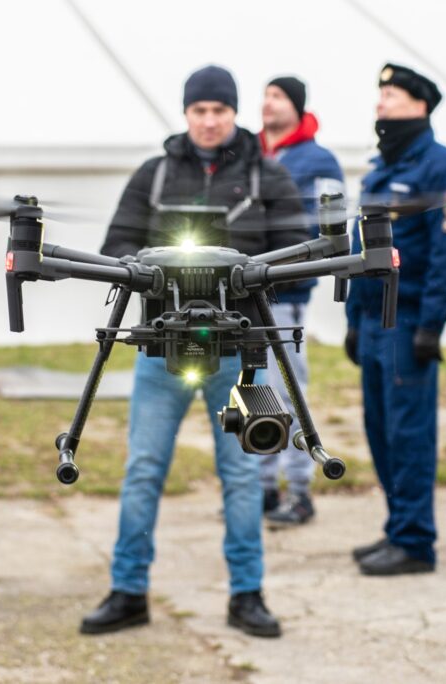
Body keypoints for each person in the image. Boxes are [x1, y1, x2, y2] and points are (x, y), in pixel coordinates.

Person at [81, 65, 308, 638]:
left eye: (220, 110)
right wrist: (152, 272)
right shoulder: (154, 175)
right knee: (143, 469)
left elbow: (298, 255)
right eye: (199, 110)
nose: (209, 121)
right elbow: (117, 248)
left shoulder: (268, 175)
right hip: (160, 352)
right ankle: (128, 590)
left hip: (239, 355)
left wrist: (246, 280)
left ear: (235, 114)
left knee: (242, 473)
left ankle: (247, 595)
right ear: (186, 114)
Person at [345, 64, 446, 575]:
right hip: (376, 318)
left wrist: (433, 323)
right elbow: (363, 250)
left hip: (410, 319)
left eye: (392, 94)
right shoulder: (380, 167)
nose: (381, 102)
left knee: (408, 431)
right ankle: (398, 527)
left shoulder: (445, 169)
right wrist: (355, 318)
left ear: (421, 105)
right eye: (379, 92)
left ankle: (416, 541)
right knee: (379, 427)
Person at [257, 75, 345, 527]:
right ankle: (264, 489)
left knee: (288, 394)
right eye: (265, 95)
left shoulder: (317, 159)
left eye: (277, 96)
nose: (267, 104)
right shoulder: (249, 154)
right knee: (254, 398)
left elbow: (328, 224)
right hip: (241, 300)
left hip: (284, 297)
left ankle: (301, 491)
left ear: (296, 105)